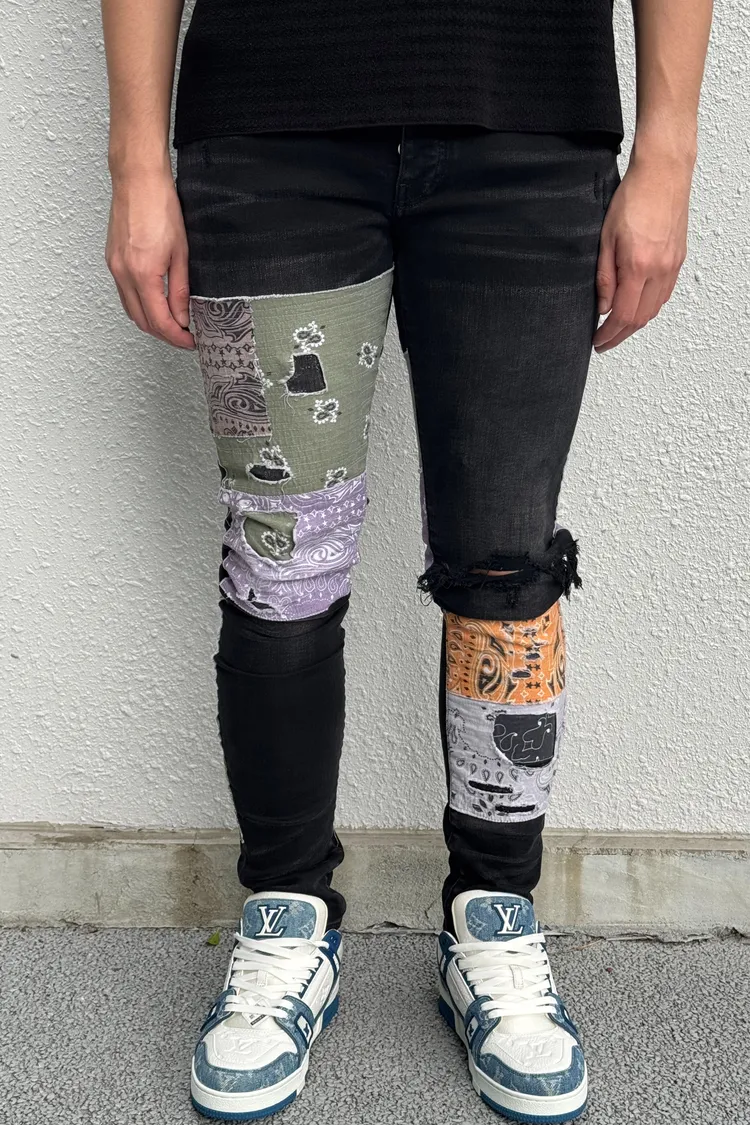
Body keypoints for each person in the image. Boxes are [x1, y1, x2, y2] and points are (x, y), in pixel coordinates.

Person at [101, 1, 712, 1120]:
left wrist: (669, 154)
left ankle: (493, 919)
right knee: (282, 562)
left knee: (506, 567)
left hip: (530, 122)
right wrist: (135, 161)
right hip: (268, 127)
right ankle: (285, 915)